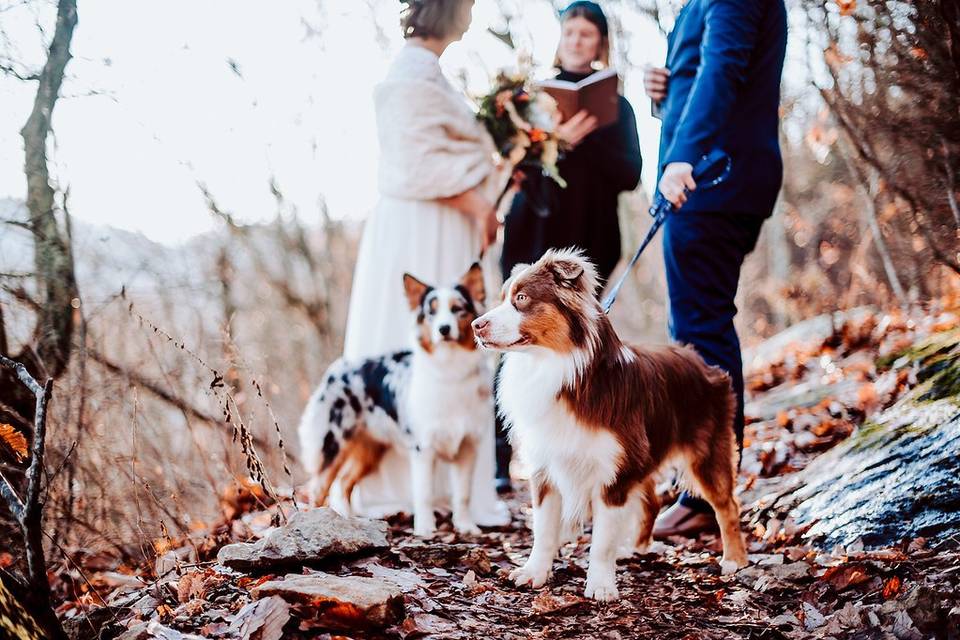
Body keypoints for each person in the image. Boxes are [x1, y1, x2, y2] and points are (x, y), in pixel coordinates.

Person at [340, 0, 509, 527]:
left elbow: (447, 152)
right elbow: (417, 165)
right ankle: (398, 487)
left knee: (453, 342)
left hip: (438, 218)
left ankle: (451, 490)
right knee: (411, 337)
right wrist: (478, 204)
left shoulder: (428, 69)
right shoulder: (411, 73)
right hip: (422, 223)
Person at [645, 0, 787, 537]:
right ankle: (702, 484)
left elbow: (723, 68)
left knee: (701, 327)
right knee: (694, 324)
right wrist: (664, 94)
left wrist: (683, 155)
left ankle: (708, 493)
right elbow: (703, 73)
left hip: (713, 173)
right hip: (706, 171)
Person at [494, 0, 643, 491]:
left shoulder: (617, 106)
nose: (578, 40)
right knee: (512, 331)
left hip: (589, 236)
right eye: (570, 31)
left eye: (587, 33)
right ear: (560, 38)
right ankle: (502, 462)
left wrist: (585, 140)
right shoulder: (533, 98)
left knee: (581, 339)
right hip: (533, 230)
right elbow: (517, 169)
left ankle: (582, 442)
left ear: (600, 42)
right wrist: (550, 138)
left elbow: (630, 174)